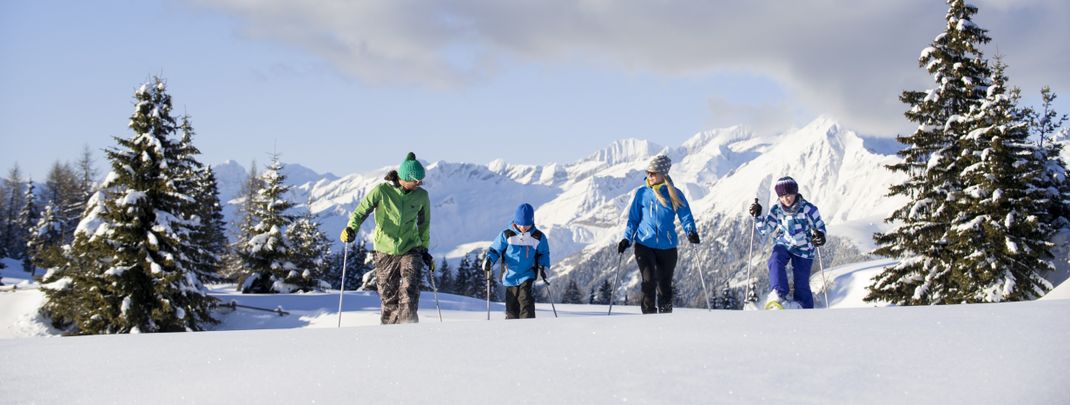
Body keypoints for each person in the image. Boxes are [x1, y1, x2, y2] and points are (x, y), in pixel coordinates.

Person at [340, 152, 433, 324]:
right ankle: (391, 335)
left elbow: (424, 224)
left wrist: (424, 249)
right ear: (405, 178)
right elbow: (361, 211)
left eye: (421, 181)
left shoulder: (421, 196)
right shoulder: (382, 192)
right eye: (417, 180)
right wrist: (351, 228)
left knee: (409, 291)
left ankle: (410, 330)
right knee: (388, 299)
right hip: (384, 250)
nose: (420, 183)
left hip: (410, 248)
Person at [617, 155, 699, 314]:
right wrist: (627, 238)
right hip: (644, 244)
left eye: (653, 173)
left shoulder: (675, 194)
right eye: (648, 172)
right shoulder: (642, 193)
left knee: (664, 286)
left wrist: (691, 232)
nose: (650, 175)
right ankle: (649, 317)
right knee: (648, 281)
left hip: (667, 246)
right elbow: (633, 219)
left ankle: (665, 319)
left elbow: (685, 216)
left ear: (663, 174)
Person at [749, 176, 827, 309]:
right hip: (784, 244)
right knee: (775, 260)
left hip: (804, 248)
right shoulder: (777, 209)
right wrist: (758, 216)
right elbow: (765, 229)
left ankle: (804, 307)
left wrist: (820, 235)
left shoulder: (808, 209)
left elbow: (819, 226)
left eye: (789, 194)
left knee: (801, 283)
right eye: (782, 196)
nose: (786, 199)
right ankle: (778, 294)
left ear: (795, 192)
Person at [482, 203, 551, 319]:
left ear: (532, 222)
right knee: (511, 304)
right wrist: (489, 260)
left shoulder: (537, 236)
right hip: (510, 275)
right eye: (520, 225)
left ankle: (528, 324)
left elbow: (543, 253)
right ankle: (512, 325)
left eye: (527, 225)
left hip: (527, 273)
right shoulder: (507, 235)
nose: (523, 228)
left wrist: (544, 267)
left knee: (525, 299)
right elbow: (495, 250)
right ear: (515, 222)